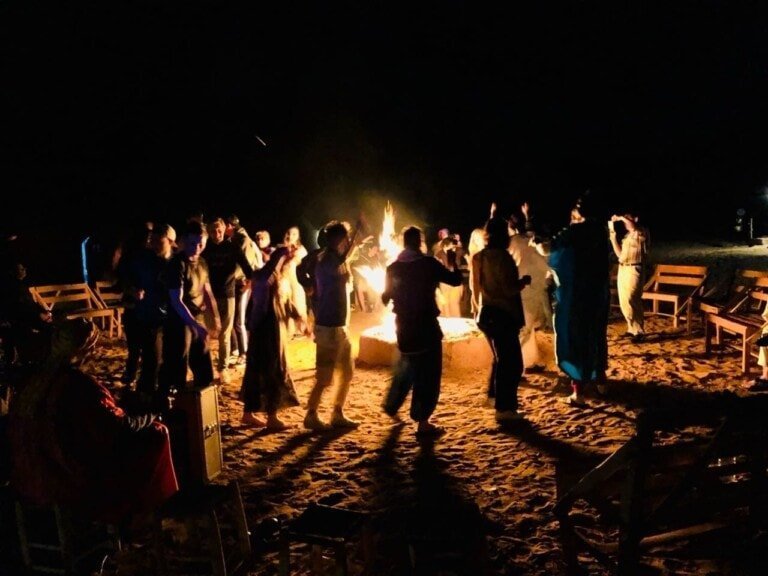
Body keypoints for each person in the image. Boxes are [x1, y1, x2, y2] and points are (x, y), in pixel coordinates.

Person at [8, 319, 178, 525]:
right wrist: (154, 411)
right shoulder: (78, 386)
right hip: (65, 482)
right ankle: (142, 516)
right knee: (156, 434)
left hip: (29, 480)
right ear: (86, 351)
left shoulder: (33, 382)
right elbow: (119, 428)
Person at [381, 225, 463, 437]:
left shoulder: (392, 267)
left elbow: (384, 297)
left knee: (407, 366)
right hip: (426, 326)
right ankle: (422, 421)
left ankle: (391, 405)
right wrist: (452, 260)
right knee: (428, 373)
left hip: (404, 327)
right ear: (420, 242)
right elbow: (455, 280)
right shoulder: (428, 264)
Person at [536, 193, 611, 406]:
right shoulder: (600, 232)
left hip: (577, 294)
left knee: (575, 338)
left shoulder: (574, 232)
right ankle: (601, 383)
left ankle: (578, 392)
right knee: (596, 335)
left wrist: (539, 244)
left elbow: (549, 249)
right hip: (597, 293)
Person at [473, 214, 531, 422]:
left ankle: (493, 397)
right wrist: (523, 282)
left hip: (486, 313)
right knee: (512, 364)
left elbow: (475, 289)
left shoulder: (478, 257)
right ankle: (505, 409)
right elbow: (508, 288)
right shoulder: (504, 258)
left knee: (501, 360)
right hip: (504, 314)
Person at [159, 220, 220, 411]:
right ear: (184, 241)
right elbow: (176, 300)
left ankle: (202, 409)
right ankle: (175, 411)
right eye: (193, 243)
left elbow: (207, 290)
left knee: (204, 367)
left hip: (196, 319)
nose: (197, 248)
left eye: (201, 243)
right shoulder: (177, 265)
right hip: (179, 322)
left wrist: (215, 316)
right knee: (177, 368)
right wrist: (194, 324)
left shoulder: (202, 262)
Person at [239, 246, 303, 430]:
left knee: (261, 370)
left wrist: (299, 317)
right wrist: (255, 327)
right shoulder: (263, 277)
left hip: (273, 330)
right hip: (266, 332)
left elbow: (284, 301)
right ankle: (271, 417)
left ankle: (248, 414)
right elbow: (260, 304)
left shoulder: (279, 278)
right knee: (271, 370)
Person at [303, 221, 359, 431]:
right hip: (328, 327)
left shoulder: (334, 258)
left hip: (340, 327)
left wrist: (353, 244)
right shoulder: (327, 261)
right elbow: (332, 271)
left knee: (347, 370)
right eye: (345, 238)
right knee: (324, 377)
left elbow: (344, 259)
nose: (347, 242)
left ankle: (337, 413)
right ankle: (311, 415)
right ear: (338, 239)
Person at [508, 205, 553, 373]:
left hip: (526, 289)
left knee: (527, 329)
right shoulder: (532, 240)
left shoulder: (515, 242)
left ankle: (528, 362)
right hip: (529, 289)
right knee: (525, 329)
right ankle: (515, 365)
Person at [608, 213, 649, 343]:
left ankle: (639, 331)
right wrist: (613, 238)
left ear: (635, 219)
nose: (625, 222)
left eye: (628, 218)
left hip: (634, 268)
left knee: (632, 298)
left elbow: (633, 227)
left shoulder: (641, 232)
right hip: (623, 267)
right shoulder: (627, 236)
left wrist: (620, 217)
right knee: (624, 301)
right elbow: (620, 255)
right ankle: (632, 328)